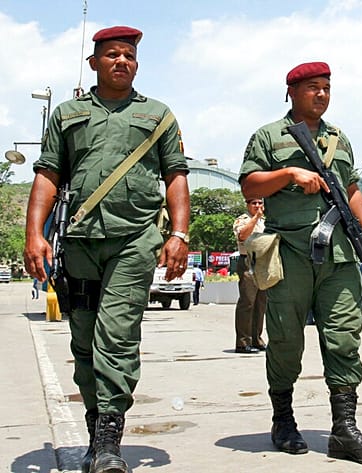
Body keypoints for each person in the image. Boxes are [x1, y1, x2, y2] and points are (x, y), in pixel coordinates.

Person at [23, 26, 190, 473]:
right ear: (93, 63)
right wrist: (33, 233)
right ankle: (97, 427)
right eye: (112, 55)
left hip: (134, 241)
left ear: (137, 64)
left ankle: (109, 441)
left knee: (115, 338)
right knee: (83, 341)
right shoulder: (67, 114)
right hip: (79, 243)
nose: (122, 61)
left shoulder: (158, 115)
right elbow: (47, 174)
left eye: (129, 55)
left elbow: (176, 175)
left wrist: (179, 233)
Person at [239, 61, 362, 465]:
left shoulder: (340, 138)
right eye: (312, 87)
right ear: (291, 91)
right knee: (286, 341)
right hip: (289, 254)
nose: (321, 94)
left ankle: (344, 429)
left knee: (344, 338)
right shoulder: (269, 136)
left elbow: (352, 188)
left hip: (339, 254)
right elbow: (249, 184)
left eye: (326, 87)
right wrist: (289, 173)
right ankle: (283, 419)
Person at [232, 198, 267, 354]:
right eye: (254, 203)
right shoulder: (243, 220)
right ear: (248, 205)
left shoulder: (266, 221)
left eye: (260, 203)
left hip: (263, 262)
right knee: (247, 302)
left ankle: (256, 339)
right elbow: (242, 236)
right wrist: (255, 218)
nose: (258, 206)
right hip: (248, 260)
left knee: (261, 303)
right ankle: (242, 342)